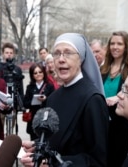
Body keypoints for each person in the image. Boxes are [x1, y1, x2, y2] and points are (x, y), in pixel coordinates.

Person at [21, 33, 109, 166]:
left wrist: (52, 164)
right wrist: (37, 145)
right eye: (57, 53)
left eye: (68, 53)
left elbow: (96, 160)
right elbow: (56, 138)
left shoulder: (93, 99)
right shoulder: (53, 97)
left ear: (81, 59)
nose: (61, 59)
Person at [100, 31, 128, 167]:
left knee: (116, 162)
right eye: (112, 43)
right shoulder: (103, 68)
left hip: (121, 128)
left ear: (126, 46)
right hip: (102, 125)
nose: (115, 47)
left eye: (119, 44)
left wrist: (119, 97)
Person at [0, 42, 24, 132]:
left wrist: (20, 104)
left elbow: (20, 87)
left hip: (13, 103)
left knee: (11, 130)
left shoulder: (17, 69)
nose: (9, 55)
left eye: (11, 53)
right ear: (3, 53)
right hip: (0, 104)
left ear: (13, 54)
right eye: (7, 53)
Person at [23, 63, 54, 140]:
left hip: (46, 117)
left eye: (40, 72)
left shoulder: (49, 86)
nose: (38, 74)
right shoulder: (30, 87)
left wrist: (46, 99)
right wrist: (33, 102)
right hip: (34, 117)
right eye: (35, 73)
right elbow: (25, 103)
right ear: (32, 75)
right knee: (34, 143)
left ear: (43, 72)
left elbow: (54, 101)